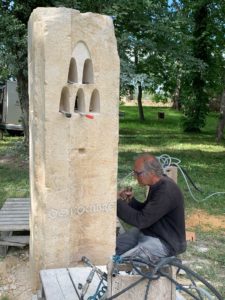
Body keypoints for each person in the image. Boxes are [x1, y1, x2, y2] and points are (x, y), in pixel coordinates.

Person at [116, 154, 186, 262]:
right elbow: (149, 212)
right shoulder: (157, 184)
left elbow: (141, 220)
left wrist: (117, 202)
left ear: (152, 173)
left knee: (127, 261)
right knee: (115, 248)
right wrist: (130, 202)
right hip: (150, 232)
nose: (135, 177)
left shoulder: (166, 191)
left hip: (165, 242)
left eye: (138, 173)